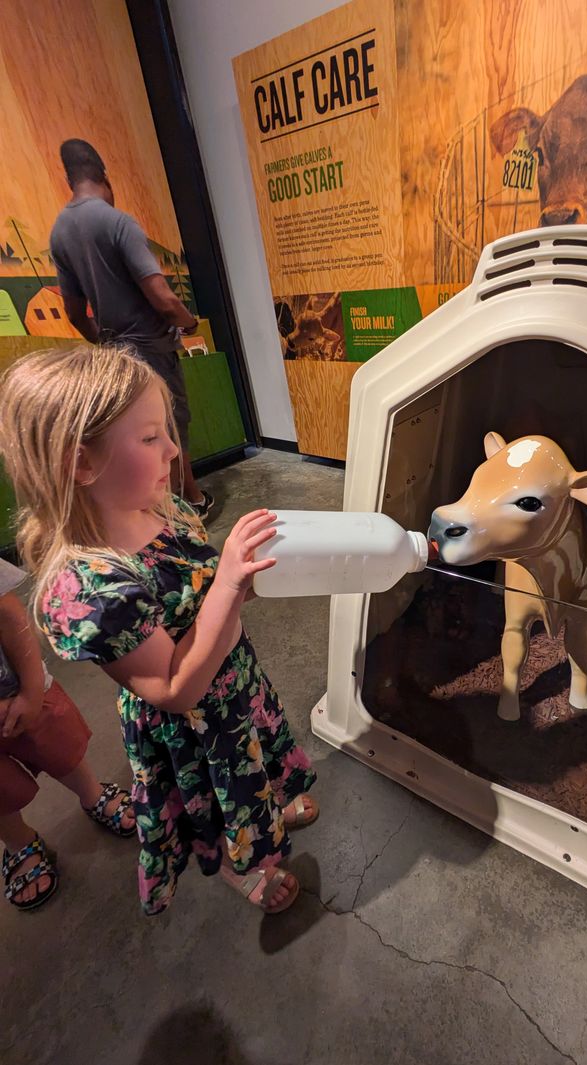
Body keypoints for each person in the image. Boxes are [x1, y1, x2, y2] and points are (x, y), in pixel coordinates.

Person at [0, 346, 318, 915]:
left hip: (234, 686)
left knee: (256, 770)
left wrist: (238, 580)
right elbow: (175, 689)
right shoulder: (89, 590)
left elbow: (203, 594)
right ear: (82, 464)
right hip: (196, 731)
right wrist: (226, 584)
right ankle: (242, 866)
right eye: (150, 438)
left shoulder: (159, 507)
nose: (174, 449)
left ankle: (265, 810)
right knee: (223, 803)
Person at [49, 138, 213, 519]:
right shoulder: (116, 221)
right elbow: (161, 296)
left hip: (116, 354)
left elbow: (74, 313)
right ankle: (184, 512)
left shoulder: (60, 232)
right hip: (152, 349)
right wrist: (188, 323)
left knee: (140, 434)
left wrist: (106, 341)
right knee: (170, 430)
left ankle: (171, 506)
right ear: (104, 176)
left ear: (69, 178)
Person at [0, 557, 136, 912]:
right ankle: (18, 843)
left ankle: (92, 795)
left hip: (21, 693)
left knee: (62, 749)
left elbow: (9, 615)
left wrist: (31, 691)